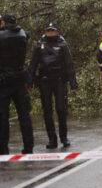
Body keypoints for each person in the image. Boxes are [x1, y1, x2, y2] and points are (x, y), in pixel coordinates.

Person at [28, 22, 78, 149]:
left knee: (61, 109)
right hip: (44, 81)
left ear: (57, 31)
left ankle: (64, 137)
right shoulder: (40, 45)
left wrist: (73, 83)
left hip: (59, 80)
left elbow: (69, 64)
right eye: (48, 30)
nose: (50, 33)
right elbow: (33, 64)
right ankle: (52, 139)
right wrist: (30, 81)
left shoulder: (62, 44)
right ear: (45, 31)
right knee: (47, 111)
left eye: (52, 30)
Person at [0, 14, 34, 155]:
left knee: (3, 117)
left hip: (4, 80)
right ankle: (28, 147)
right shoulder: (23, 34)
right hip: (20, 78)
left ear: (3, 23)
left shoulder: (1, 36)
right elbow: (27, 34)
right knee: (24, 115)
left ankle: (3, 149)